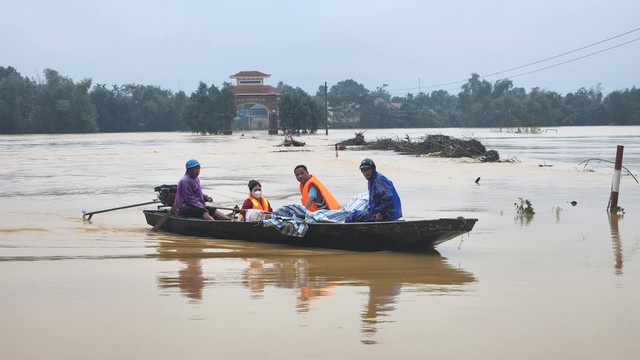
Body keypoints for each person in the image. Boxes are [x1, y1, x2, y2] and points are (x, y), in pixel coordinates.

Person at [345, 158, 402, 223]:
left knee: (352, 217)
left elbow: (388, 198)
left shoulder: (378, 180)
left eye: (368, 170)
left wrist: (380, 212)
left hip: (386, 214)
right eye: (363, 170)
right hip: (378, 211)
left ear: (373, 169)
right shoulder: (371, 180)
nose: (365, 172)